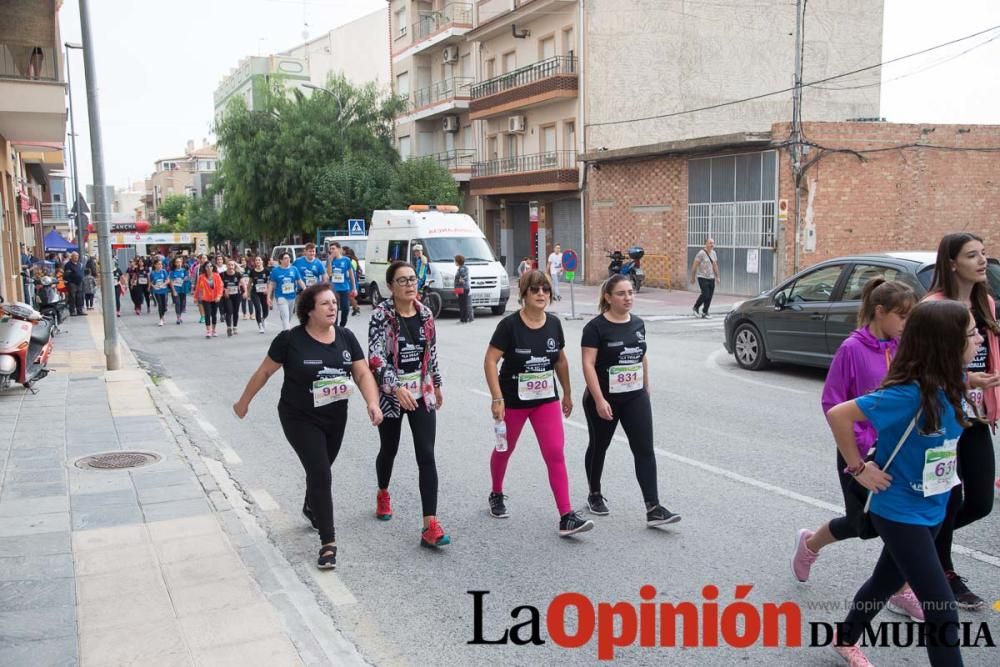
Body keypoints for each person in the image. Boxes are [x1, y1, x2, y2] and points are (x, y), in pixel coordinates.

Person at [824, 299, 977, 667]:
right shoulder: (906, 394)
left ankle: (845, 638)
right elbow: (838, 414)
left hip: (933, 506)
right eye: (971, 334)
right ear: (947, 343)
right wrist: (859, 468)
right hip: (899, 510)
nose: (978, 340)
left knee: (885, 581)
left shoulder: (951, 381)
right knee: (942, 609)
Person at [791, 279, 921, 617]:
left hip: (896, 450)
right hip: (860, 451)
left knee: (900, 522)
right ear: (880, 311)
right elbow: (832, 402)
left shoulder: (902, 344)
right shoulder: (852, 349)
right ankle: (809, 544)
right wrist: (860, 454)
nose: (906, 324)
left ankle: (901, 588)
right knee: (863, 525)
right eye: (902, 316)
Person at [233, 283, 383, 570]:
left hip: (335, 417)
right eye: (325, 304)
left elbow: (362, 373)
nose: (333, 307)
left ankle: (310, 504)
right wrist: (244, 402)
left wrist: (372, 403)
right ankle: (328, 543)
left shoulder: (346, 337)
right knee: (321, 472)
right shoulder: (290, 340)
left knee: (321, 469)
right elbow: (264, 371)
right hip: (298, 416)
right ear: (309, 310)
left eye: (334, 303)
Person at [923, 232, 1000, 610]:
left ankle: (915, 547)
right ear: (952, 262)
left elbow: (988, 357)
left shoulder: (985, 301)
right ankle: (942, 570)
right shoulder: (934, 305)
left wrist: (990, 398)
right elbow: (924, 365)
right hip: (944, 418)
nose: (983, 261)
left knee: (982, 501)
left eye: (984, 254)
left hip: (978, 416)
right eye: (973, 255)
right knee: (949, 501)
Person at [484, 270, 593, 537]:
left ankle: (566, 516)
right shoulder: (509, 326)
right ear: (524, 294)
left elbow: (560, 360)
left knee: (555, 453)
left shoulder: (554, 324)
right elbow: (490, 361)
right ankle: (496, 492)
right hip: (514, 400)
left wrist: (567, 393)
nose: (542, 294)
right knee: (504, 449)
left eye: (545, 289)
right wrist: (497, 398)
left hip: (546, 399)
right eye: (535, 290)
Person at [581, 275, 681, 527]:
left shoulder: (637, 324)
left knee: (644, 449)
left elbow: (641, 355)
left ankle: (654, 507)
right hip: (603, 397)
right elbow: (588, 364)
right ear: (608, 297)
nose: (628, 298)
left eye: (631, 293)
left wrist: (646, 385)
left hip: (635, 396)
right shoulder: (595, 328)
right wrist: (599, 399)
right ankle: (594, 493)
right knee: (599, 445)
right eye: (622, 293)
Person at [367, 261, 449, 548]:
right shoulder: (381, 316)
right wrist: (396, 386)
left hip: (421, 392)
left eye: (412, 279)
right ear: (390, 286)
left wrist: (436, 384)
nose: (409, 284)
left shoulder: (426, 313)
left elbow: (432, 354)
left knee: (426, 454)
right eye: (402, 280)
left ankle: (430, 525)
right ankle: (383, 491)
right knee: (389, 449)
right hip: (391, 395)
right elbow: (375, 358)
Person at [268, 252, 305, 331]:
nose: (288, 259)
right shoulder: (275, 271)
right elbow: (271, 284)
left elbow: (299, 281)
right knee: (285, 316)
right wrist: (268, 297)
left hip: (292, 296)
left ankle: (286, 326)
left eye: (289, 258)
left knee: (289, 316)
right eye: (285, 258)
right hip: (281, 296)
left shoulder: (294, 269)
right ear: (280, 260)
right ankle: (287, 334)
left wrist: (306, 290)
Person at [327, 242, 356, 327]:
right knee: (334, 309)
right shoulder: (330, 260)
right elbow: (329, 274)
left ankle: (342, 326)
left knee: (346, 309)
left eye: (333, 248)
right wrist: (329, 261)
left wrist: (354, 288)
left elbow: (351, 275)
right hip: (334, 289)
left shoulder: (346, 260)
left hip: (344, 288)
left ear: (339, 249)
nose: (331, 250)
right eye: (330, 249)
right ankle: (335, 327)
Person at [690, 238, 720, 319]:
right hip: (702, 277)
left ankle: (705, 312)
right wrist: (692, 277)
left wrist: (717, 276)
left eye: (713, 243)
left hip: (711, 277)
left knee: (710, 296)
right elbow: (694, 265)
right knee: (705, 294)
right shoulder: (701, 253)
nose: (712, 245)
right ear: (706, 244)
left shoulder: (714, 253)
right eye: (710, 243)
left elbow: (715, 265)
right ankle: (696, 308)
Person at [194, 262, 224, 338]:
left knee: (214, 314)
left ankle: (214, 330)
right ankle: (208, 331)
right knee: (207, 314)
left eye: (210, 266)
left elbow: (220, 287)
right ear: (205, 268)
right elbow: (198, 288)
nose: (209, 268)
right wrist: (195, 297)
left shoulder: (216, 276)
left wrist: (219, 296)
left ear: (213, 267)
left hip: (215, 298)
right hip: (206, 298)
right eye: (207, 267)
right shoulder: (201, 277)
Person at [247, 256, 271, 333]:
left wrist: (268, 289)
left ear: (262, 262)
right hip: (255, 292)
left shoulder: (266, 271)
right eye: (256, 260)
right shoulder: (252, 271)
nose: (257, 261)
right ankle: (260, 325)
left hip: (264, 292)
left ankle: (263, 318)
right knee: (258, 308)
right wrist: (248, 293)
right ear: (255, 262)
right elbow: (250, 283)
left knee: (265, 310)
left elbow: (270, 282)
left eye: (259, 260)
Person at [221, 261, 244, 336]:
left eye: (232, 265)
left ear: (234, 266)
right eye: (229, 265)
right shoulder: (222, 274)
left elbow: (243, 283)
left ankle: (235, 327)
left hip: (236, 295)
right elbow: (219, 285)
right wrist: (224, 290)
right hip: (227, 296)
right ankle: (229, 328)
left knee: (235, 311)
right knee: (229, 311)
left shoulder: (238, 274)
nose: (231, 266)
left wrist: (246, 292)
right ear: (226, 266)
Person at [62, 251, 85, 316]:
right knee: (72, 297)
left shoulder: (79, 264)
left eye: (77, 256)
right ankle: (72, 311)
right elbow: (66, 275)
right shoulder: (68, 265)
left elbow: (82, 272)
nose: (76, 257)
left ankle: (79, 310)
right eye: (75, 256)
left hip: (79, 283)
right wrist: (69, 282)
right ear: (71, 257)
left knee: (79, 297)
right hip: (72, 283)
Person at [149, 259, 170, 326]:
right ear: (155, 265)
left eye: (161, 264)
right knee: (160, 305)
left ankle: (163, 316)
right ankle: (161, 319)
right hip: (157, 291)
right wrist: (153, 286)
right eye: (158, 264)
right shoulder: (152, 273)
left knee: (164, 306)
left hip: (164, 290)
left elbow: (168, 280)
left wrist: (163, 284)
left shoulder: (164, 271)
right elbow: (150, 282)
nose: (160, 265)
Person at [169, 256, 189, 324]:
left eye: (180, 262)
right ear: (175, 263)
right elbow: (171, 282)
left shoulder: (184, 270)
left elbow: (187, 277)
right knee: (177, 303)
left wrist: (186, 278)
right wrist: (173, 290)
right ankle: (178, 318)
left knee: (181, 304)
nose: (179, 263)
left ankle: (180, 315)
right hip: (176, 289)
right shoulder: (172, 272)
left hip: (183, 289)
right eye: (177, 262)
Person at [343, 246, 362, 316]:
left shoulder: (352, 261)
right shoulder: (351, 260)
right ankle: (355, 308)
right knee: (349, 295)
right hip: (349, 281)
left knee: (351, 295)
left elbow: (352, 271)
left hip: (351, 281)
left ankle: (356, 308)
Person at [454, 254, 472, 324]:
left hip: (462, 288)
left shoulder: (462, 269)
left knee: (463, 304)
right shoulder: (462, 268)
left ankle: (464, 319)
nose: (454, 262)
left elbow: (462, 280)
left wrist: (457, 290)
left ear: (458, 261)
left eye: (455, 261)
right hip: (463, 288)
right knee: (462, 304)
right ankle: (463, 319)